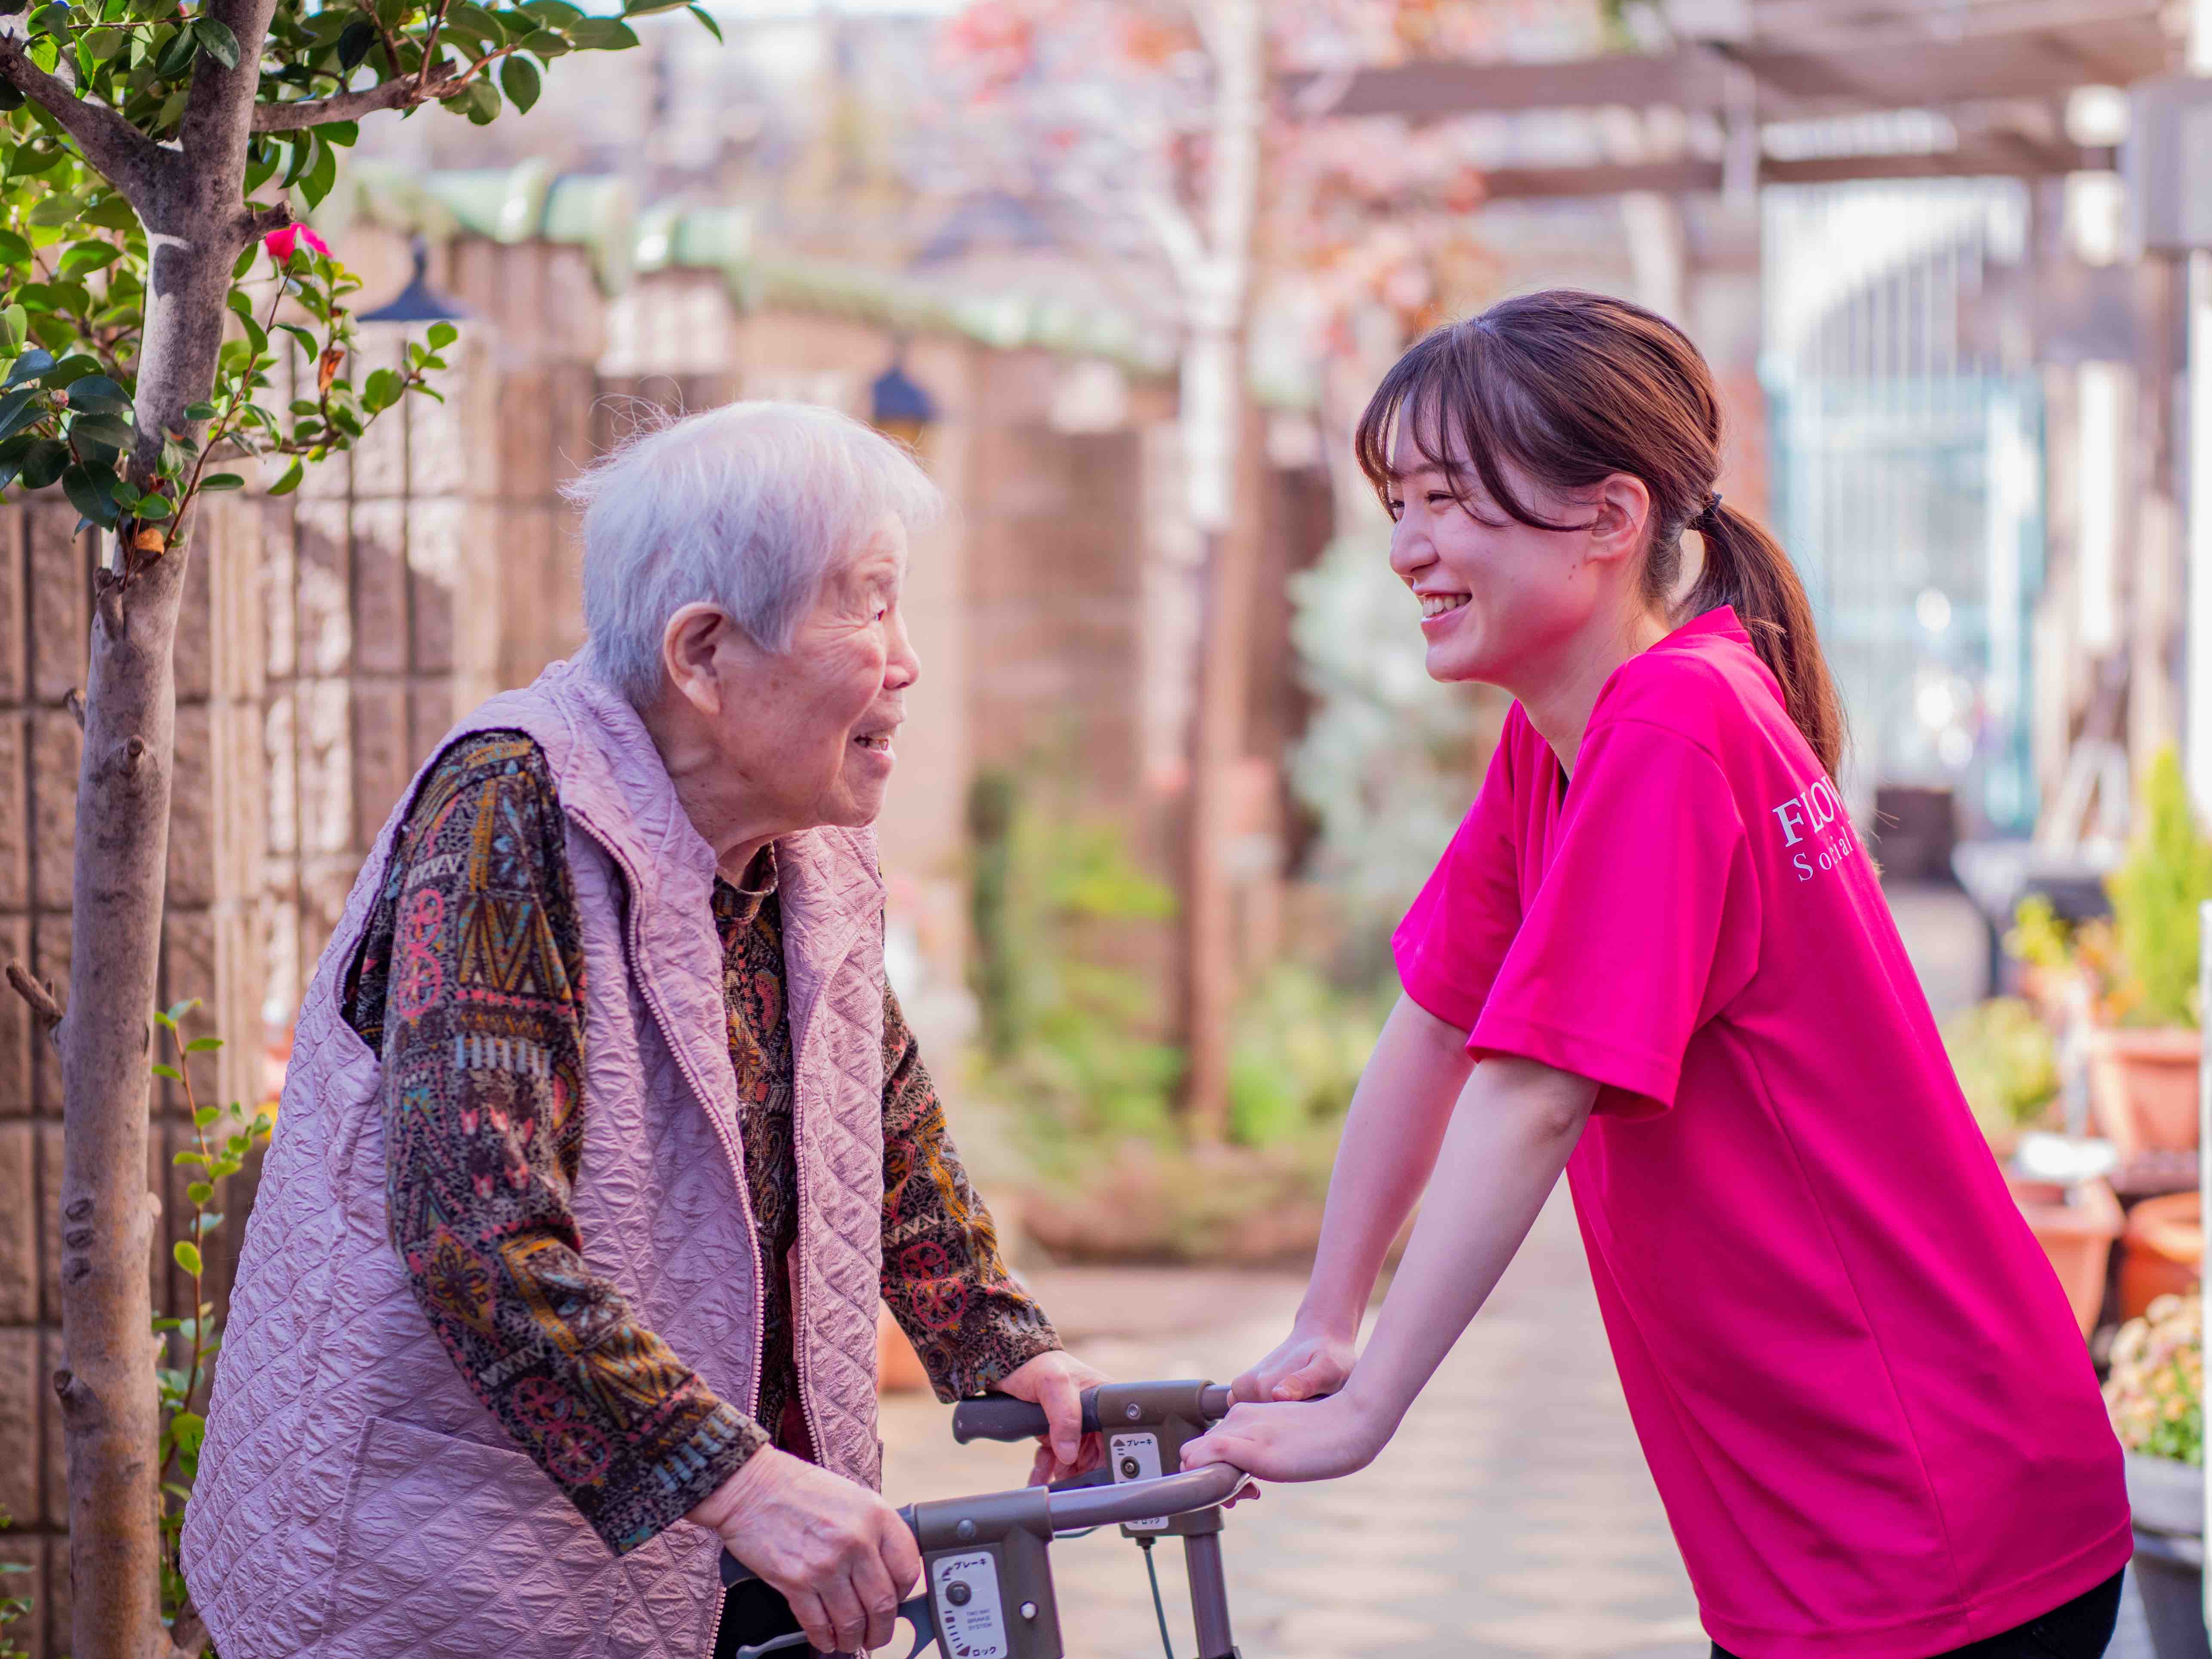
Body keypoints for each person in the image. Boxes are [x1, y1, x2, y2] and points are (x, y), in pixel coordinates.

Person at [1182, 291, 2130, 1659]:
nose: (1404, 548)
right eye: (1397, 501)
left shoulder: (1673, 726)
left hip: (1922, 1516)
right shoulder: (1567, 741)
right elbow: (1435, 1028)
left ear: (1612, 517)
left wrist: (1376, 1396)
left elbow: (1530, 1095)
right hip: (1838, 1518)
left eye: (1444, 499)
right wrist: (1329, 1319)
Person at [186, 402, 1102, 1659]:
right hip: (452, 1569)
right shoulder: (510, 811)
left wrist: (999, 1343)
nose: (906, 659)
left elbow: (874, 1120)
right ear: (704, 654)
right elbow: (476, 1229)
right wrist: (741, 1479)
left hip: (721, 1539)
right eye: (869, 604)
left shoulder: (810, 842)